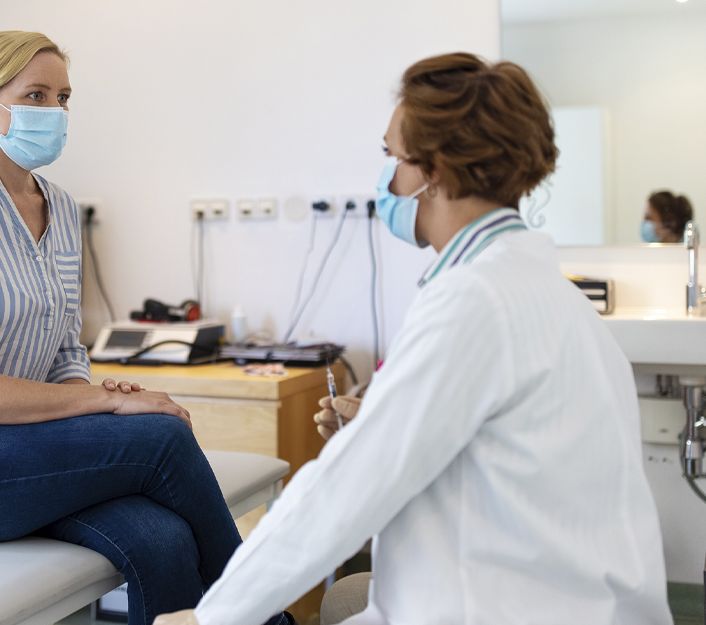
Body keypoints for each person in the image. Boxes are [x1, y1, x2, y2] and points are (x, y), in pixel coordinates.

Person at [155, 53, 670, 625]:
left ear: (435, 169)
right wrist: (383, 416)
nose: (388, 179)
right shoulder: (548, 294)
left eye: (392, 158)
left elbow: (343, 490)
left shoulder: (474, 300)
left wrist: (212, 617)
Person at [0, 31, 284, 625]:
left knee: (161, 541)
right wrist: (104, 404)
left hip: (5, 445)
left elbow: (63, 355)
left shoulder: (59, 207)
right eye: (36, 95)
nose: (54, 112)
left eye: (63, 97)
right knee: (158, 437)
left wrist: (98, 401)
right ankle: (267, 616)